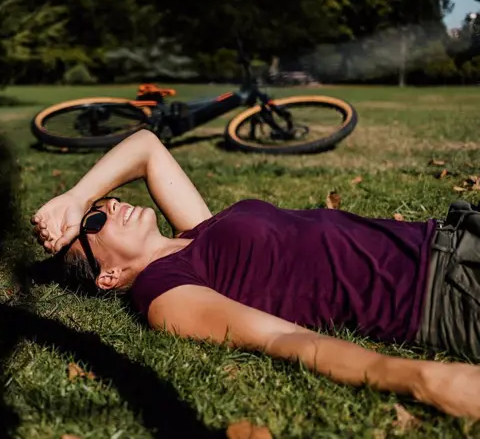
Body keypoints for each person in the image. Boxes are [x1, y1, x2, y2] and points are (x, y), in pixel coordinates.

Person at [31, 129, 480, 420]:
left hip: (453, 235)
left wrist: (77, 197)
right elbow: (283, 340)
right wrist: (424, 380)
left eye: (103, 202)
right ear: (107, 276)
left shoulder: (196, 231)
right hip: (445, 289)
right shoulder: (165, 291)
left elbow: (147, 146)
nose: (107, 206)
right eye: (93, 222)